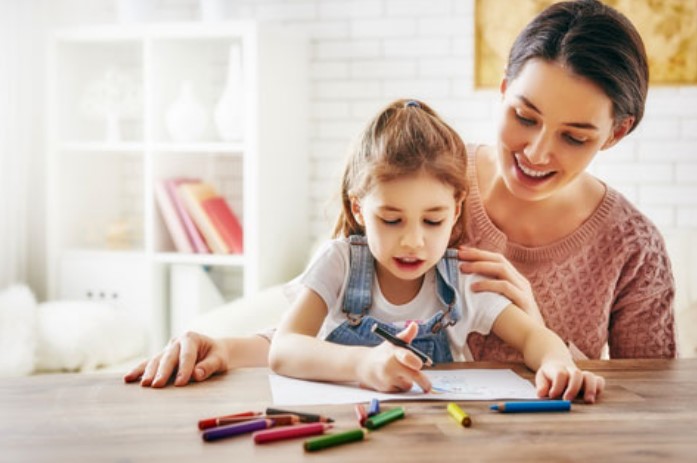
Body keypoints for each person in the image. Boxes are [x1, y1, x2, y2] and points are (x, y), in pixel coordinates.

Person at [124, 0, 675, 389]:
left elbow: (655, 402)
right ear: (504, 91)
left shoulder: (633, 249)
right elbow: (334, 315)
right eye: (523, 116)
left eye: (575, 137)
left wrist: (547, 336)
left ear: (617, 132)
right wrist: (224, 347)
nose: (535, 151)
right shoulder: (424, 175)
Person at [268, 98, 603, 401]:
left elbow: (534, 338)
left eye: (432, 222)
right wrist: (364, 364)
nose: (413, 241)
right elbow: (284, 348)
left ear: (455, 211)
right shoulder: (339, 263)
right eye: (391, 220)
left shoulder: (461, 280)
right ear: (359, 209)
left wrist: (557, 364)